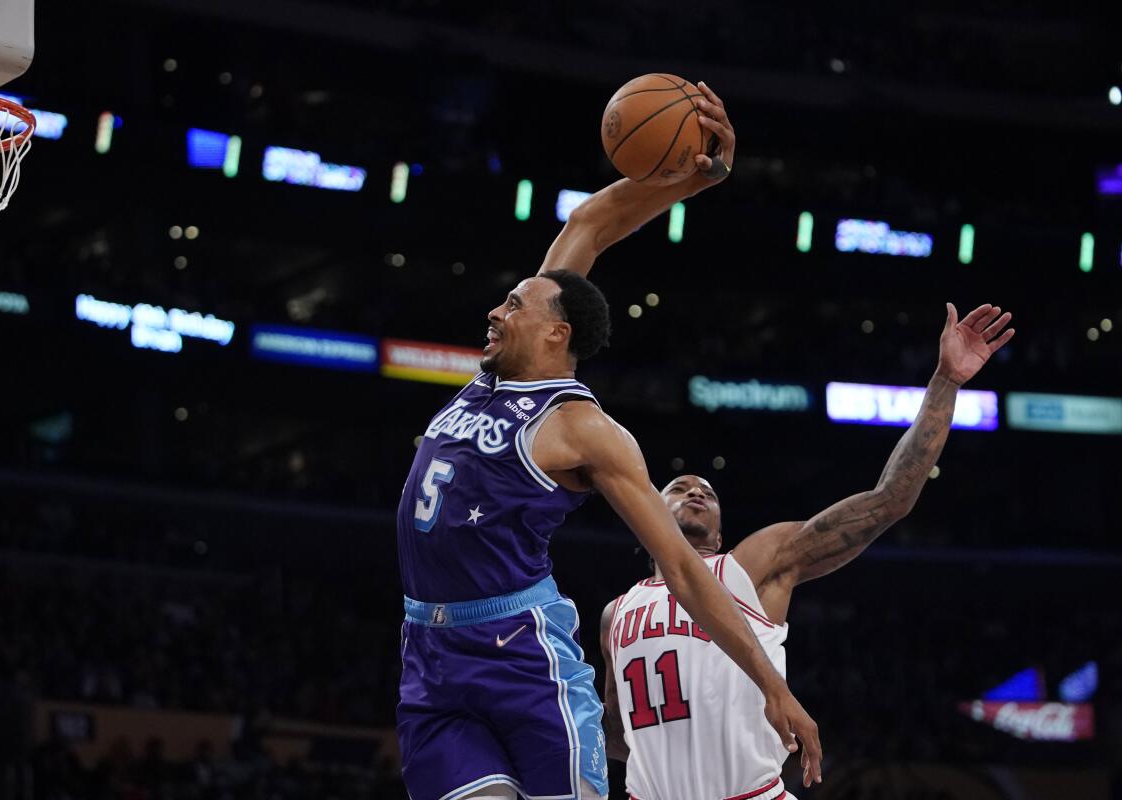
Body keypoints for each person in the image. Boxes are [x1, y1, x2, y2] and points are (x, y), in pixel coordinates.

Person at [396, 82, 822, 800]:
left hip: (520, 654)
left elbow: (685, 572)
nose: (496, 312)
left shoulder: (583, 429)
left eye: (515, 305)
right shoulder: (489, 378)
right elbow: (593, 222)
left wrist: (771, 685)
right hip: (428, 652)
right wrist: (693, 176)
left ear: (556, 332)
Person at [599, 303, 1015, 800]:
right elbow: (617, 732)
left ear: (720, 529)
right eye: (680, 486)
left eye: (708, 491)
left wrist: (945, 382)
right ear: (649, 507)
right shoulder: (614, 613)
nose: (696, 492)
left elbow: (888, 501)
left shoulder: (750, 566)